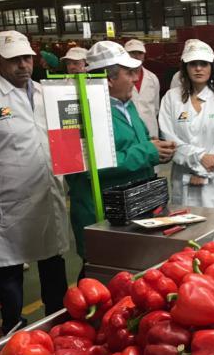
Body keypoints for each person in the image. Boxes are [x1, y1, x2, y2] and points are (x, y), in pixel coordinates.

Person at [66, 41, 176, 262]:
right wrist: (147, 151)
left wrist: (156, 147)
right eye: (129, 73)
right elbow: (93, 165)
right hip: (101, 213)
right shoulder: (82, 110)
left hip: (133, 207)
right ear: (109, 79)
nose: (136, 79)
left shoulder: (126, 104)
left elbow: (138, 141)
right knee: (102, 277)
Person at [0, 31, 69, 334]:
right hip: (9, 199)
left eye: (26, 58)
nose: (23, 65)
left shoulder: (45, 93)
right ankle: (13, 328)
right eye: (14, 60)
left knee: (53, 260)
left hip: (48, 191)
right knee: (9, 267)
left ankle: (58, 322)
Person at [158, 40, 214, 210]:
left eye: (204, 64)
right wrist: (199, 157)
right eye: (193, 64)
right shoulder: (171, 98)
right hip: (184, 179)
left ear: (212, 67)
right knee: (187, 230)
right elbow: (169, 138)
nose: (198, 68)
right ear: (185, 67)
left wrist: (203, 173)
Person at [124, 39, 161, 139]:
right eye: (132, 53)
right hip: (129, 130)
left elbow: (155, 107)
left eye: (139, 53)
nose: (136, 56)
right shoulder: (120, 79)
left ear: (144, 55)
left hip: (151, 129)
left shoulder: (152, 78)